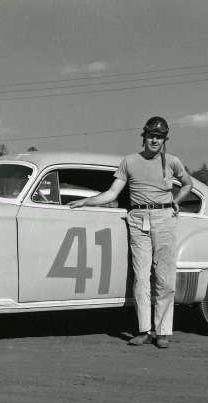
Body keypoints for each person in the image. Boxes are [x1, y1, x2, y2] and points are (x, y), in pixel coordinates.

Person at [69, 117, 193, 349]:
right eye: (151, 136)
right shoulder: (129, 162)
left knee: (166, 280)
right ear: (144, 137)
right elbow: (112, 193)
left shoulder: (173, 162)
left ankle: (163, 331)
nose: (155, 140)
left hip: (165, 219)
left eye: (159, 137)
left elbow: (188, 184)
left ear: (165, 140)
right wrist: (86, 201)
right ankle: (144, 330)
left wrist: (176, 200)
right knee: (141, 278)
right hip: (138, 219)